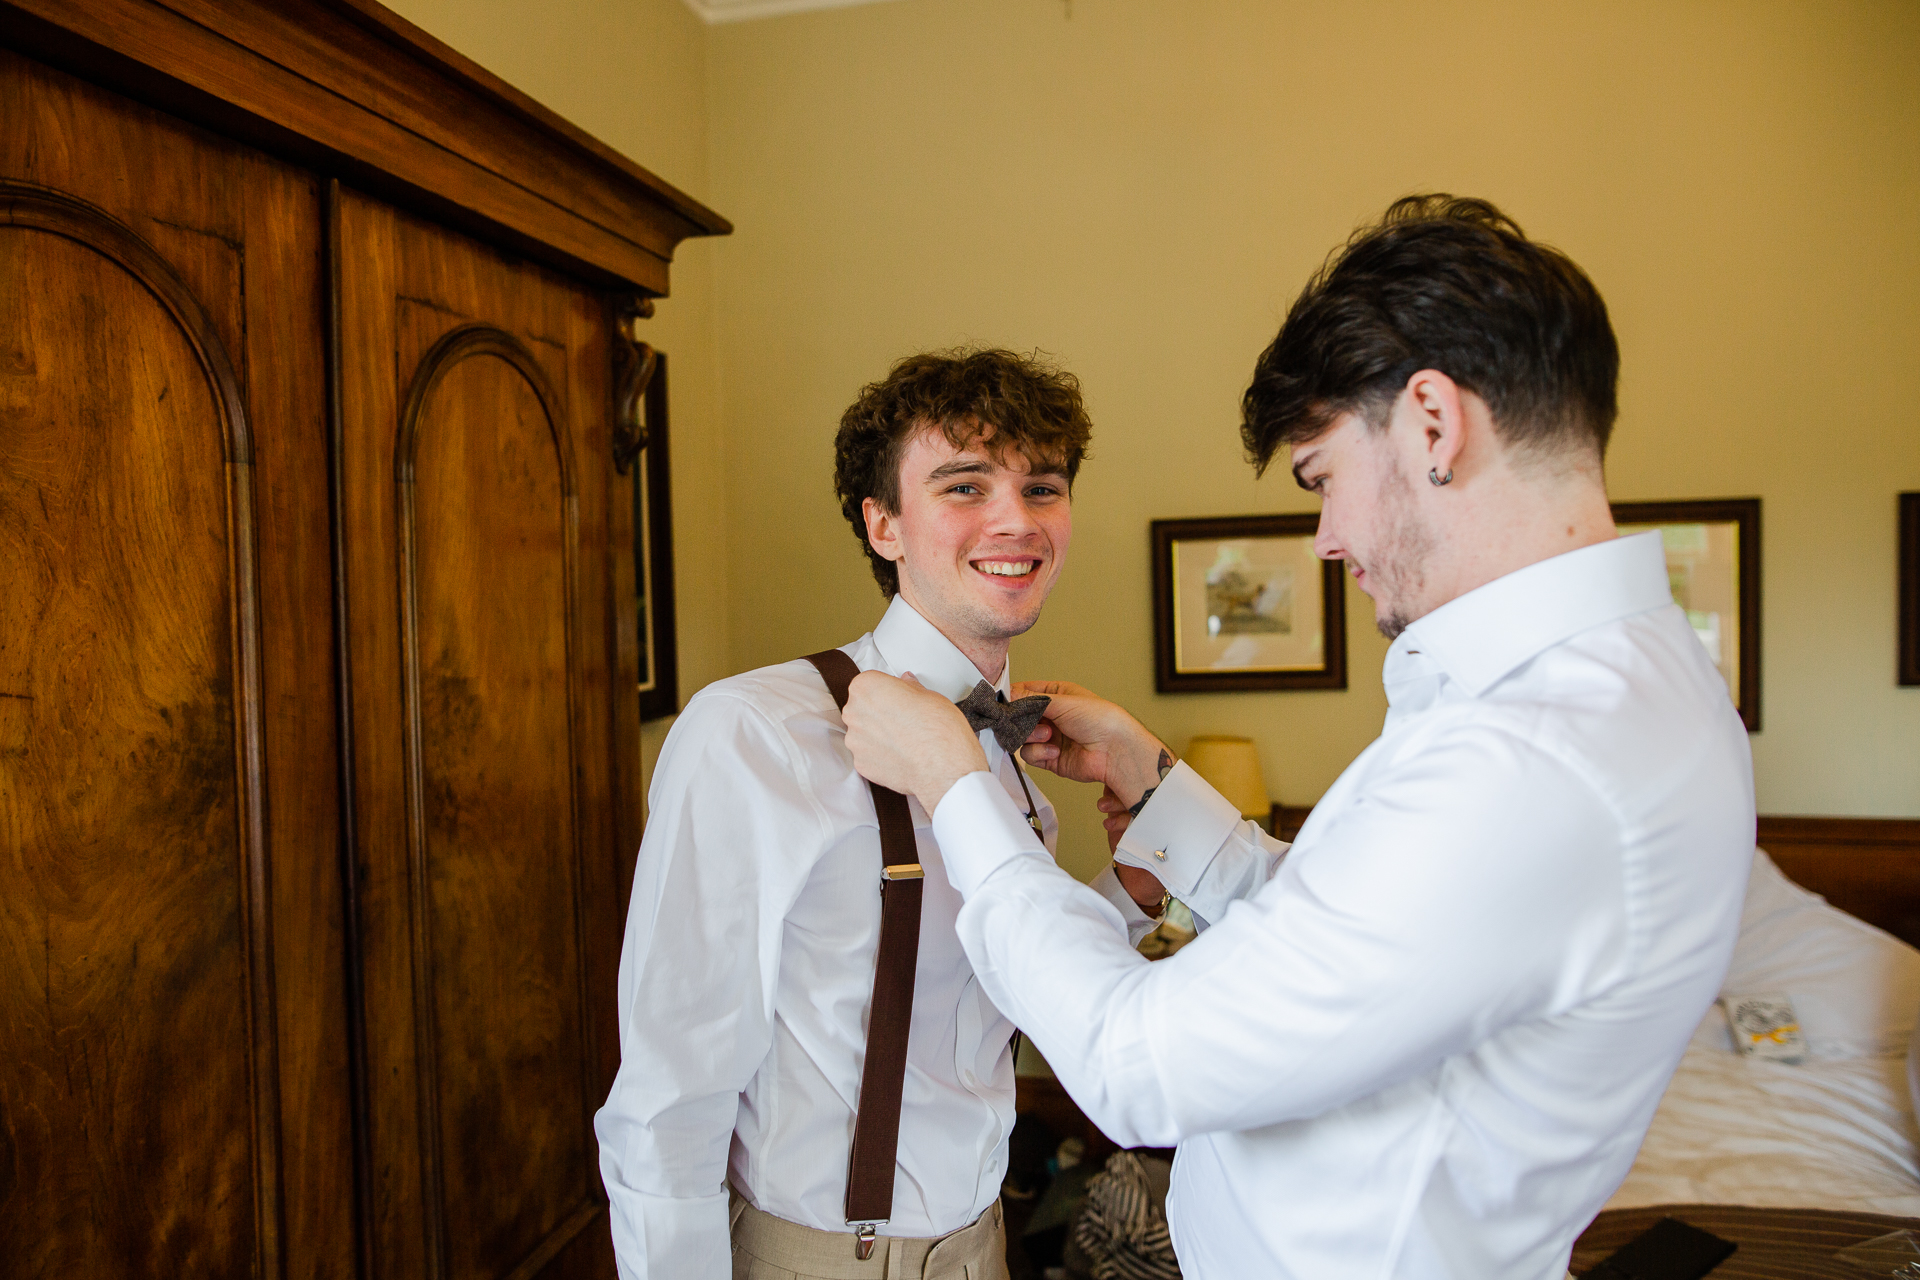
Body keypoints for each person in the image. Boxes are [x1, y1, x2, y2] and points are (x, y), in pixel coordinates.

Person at [839, 197, 1757, 1278]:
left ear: (1432, 422)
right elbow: (1372, 934)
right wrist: (1159, 786)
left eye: (1322, 475)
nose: (1326, 538)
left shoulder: (1531, 755)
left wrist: (959, 786)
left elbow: (1143, 1062)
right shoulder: (1631, 683)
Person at [595, 348, 1162, 1280]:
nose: (1016, 518)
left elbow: (983, 1004)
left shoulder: (1022, 753)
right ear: (884, 524)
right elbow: (669, 1094)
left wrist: (1128, 891)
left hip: (985, 1248)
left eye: (1044, 487)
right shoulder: (753, 732)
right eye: (966, 486)